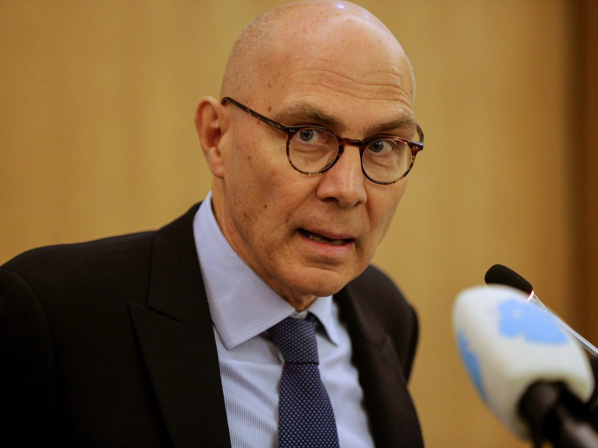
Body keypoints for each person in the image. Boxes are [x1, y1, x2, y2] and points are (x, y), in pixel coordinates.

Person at [0, 1, 425, 447]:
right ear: (216, 137)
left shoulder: (387, 313)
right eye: (307, 135)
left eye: (382, 145)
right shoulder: (52, 317)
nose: (349, 189)